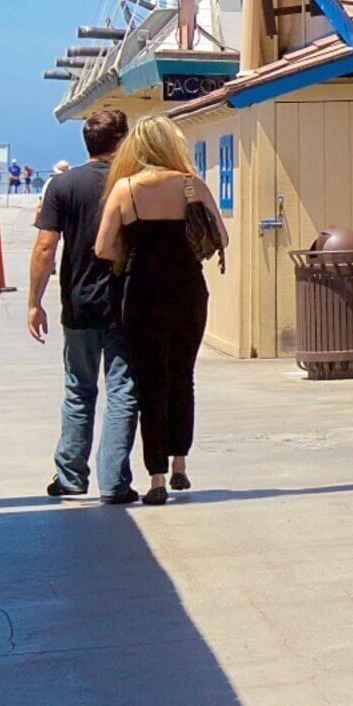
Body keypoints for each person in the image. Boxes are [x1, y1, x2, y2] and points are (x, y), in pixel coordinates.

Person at [93, 115, 220, 506]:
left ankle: (157, 477)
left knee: (152, 383)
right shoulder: (191, 185)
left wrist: (133, 250)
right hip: (188, 290)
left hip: (144, 293)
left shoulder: (125, 189)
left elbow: (103, 248)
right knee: (183, 376)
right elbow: (221, 236)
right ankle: (180, 462)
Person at [28, 109, 138, 504]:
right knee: (123, 391)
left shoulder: (63, 185)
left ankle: (70, 476)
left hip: (79, 304)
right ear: (122, 140)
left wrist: (34, 302)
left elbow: (45, 246)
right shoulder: (132, 183)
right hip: (126, 303)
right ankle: (115, 482)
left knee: (79, 390)